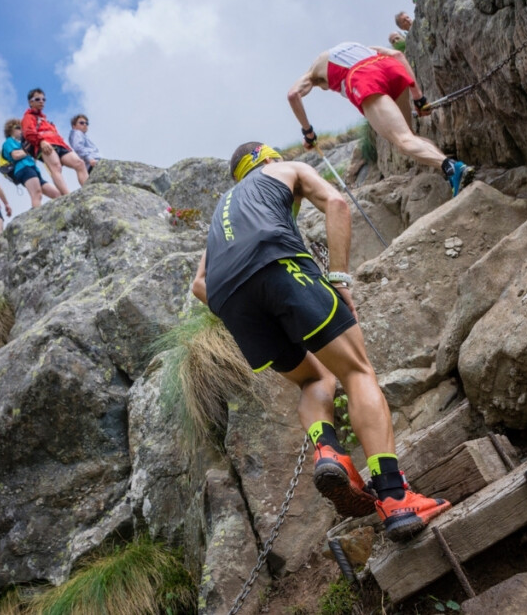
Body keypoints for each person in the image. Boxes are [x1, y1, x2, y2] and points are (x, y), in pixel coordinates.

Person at [191, 142, 452, 541]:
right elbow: (336, 204)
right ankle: (395, 497)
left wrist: (245, 309)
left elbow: (199, 285)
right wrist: (340, 279)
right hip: (279, 264)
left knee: (314, 380)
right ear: (268, 158)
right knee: (355, 370)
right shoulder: (285, 168)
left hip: (231, 300)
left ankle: (329, 452)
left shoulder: (221, 212)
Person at [288, 42, 474, 197]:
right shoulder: (358, 47)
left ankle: (452, 168)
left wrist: (309, 133)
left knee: (402, 141)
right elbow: (397, 54)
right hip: (388, 66)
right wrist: (418, 97)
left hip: (363, 79)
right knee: (410, 135)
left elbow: (293, 94)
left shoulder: (313, 71)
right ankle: (451, 171)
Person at [21, 88, 89, 194]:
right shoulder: (28, 117)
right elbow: (28, 132)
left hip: (59, 144)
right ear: (31, 102)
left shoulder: (44, 119)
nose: (41, 101)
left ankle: (88, 190)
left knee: (79, 163)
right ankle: (67, 196)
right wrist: (41, 142)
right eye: (37, 99)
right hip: (45, 144)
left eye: (43, 99)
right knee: (56, 167)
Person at [2, 118, 61, 209]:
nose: (21, 130)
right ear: (10, 130)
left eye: (22, 128)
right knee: (36, 194)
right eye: (18, 127)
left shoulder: (21, 143)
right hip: (23, 168)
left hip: (31, 169)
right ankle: (37, 219)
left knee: (56, 194)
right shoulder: (9, 141)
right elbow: (15, 155)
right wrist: (27, 151)